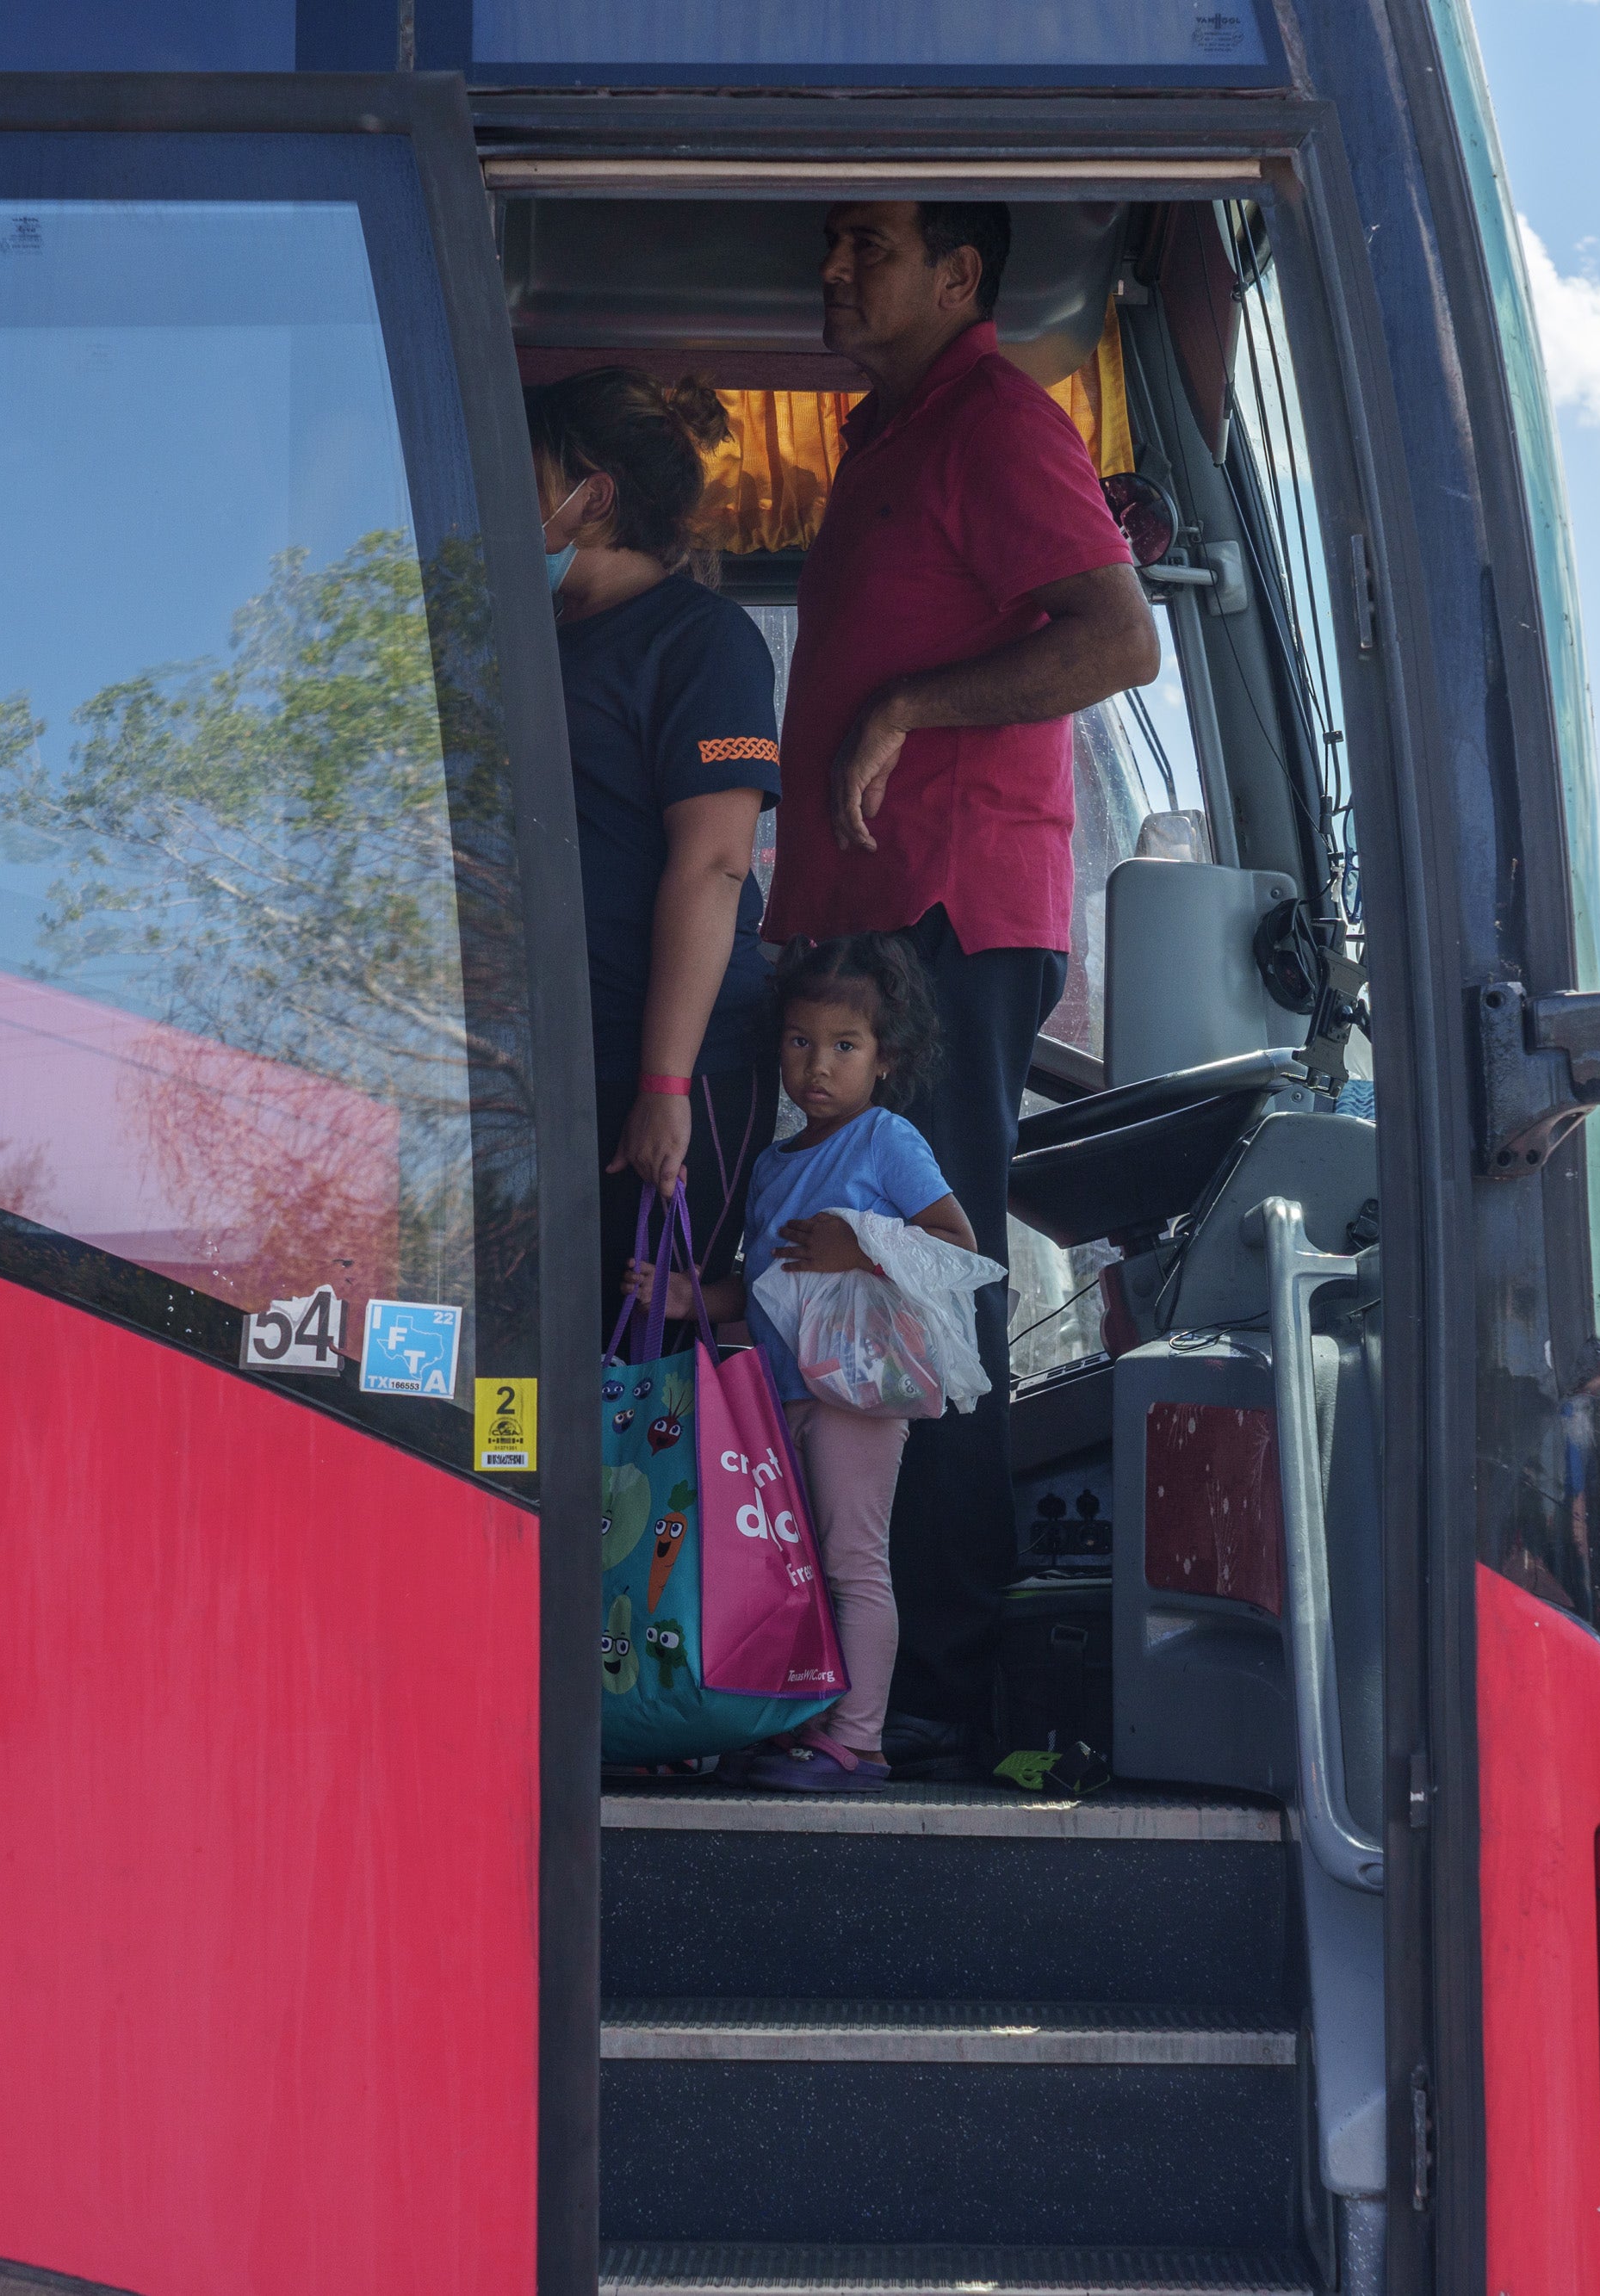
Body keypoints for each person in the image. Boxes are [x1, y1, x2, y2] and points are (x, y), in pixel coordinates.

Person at [761, 199, 1160, 1766]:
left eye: (867, 243)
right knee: (838, 1296)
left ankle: (936, 1696)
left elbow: (1119, 639)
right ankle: (852, 1670)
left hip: (942, 923)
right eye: (833, 239)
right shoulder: (889, 430)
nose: (833, 266)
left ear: (961, 277)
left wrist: (909, 706)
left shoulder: (996, 417)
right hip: (865, 927)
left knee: (914, 1305)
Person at [633, 937, 983, 1793]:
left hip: (858, 1392)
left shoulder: (885, 1138)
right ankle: (803, 1723)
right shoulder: (770, 1164)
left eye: (844, 1047)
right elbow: (764, 1284)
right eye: (799, 1042)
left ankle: (858, 1741)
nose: (816, 1067)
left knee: (851, 1563)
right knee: (797, 1565)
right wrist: (690, 1300)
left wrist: (856, 1243)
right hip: (783, 1391)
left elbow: (955, 1242)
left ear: (885, 1058)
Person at [524, 366, 786, 1318]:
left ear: (589, 498)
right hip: (547, 1051)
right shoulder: (530, 635)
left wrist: (664, 1083)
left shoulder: (701, 643)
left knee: (642, 1345)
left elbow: (714, 866)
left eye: (521, 470)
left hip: (673, 1058)